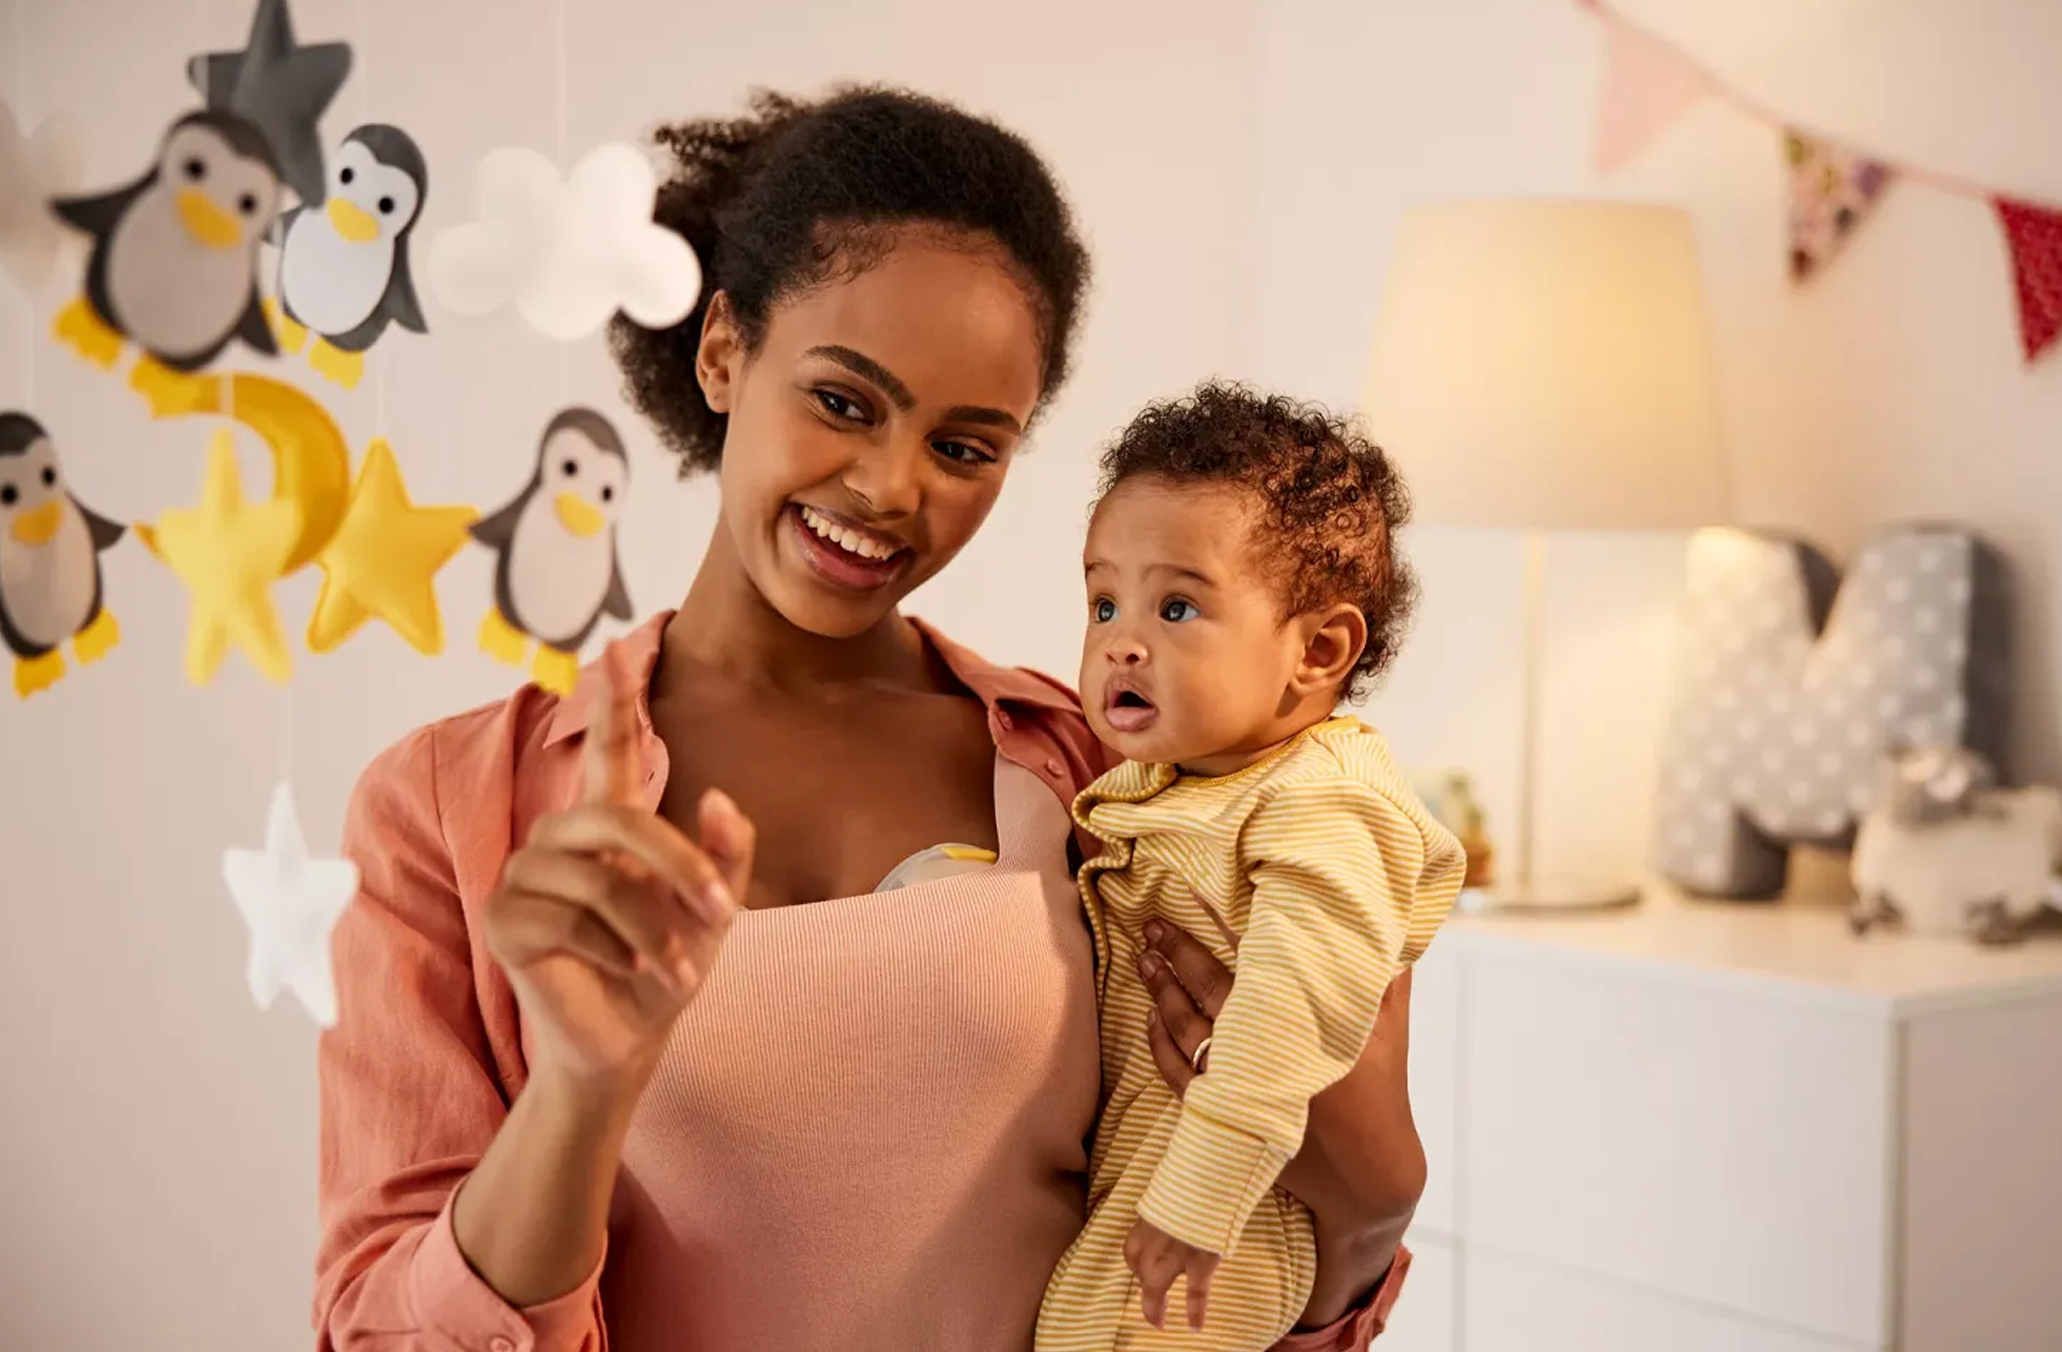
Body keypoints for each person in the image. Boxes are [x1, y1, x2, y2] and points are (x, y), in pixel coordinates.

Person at [315, 86, 1428, 1352]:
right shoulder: (450, 811)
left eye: (965, 447)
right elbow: (377, 1331)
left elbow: (1230, 1285)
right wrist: (575, 1092)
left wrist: (1372, 1202)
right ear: (725, 349)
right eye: (844, 401)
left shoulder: (1103, 779)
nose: (892, 487)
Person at [1035, 384, 1465, 1351]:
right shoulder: (1181, 782)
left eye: (1176, 605)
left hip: (1238, 1207)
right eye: (1104, 601)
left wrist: (1197, 1198)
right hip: (1151, 1182)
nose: (1121, 641)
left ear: (1317, 650)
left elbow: (1283, 1009)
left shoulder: (1326, 800)